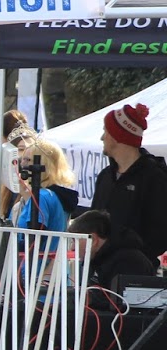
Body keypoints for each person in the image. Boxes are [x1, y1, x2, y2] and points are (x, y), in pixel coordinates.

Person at [91, 103, 167, 261]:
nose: (102, 137)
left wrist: (133, 256)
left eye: (106, 130)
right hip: (98, 271)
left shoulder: (155, 178)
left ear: (118, 136)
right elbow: (92, 223)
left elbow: (159, 233)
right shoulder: (105, 176)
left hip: (134, 273)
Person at [9, 137, 78, 233]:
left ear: (44, 165)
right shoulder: (56, 195)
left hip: (38, 248)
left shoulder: (42, 196)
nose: (22, 165)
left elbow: (33, 238)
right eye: (23, 159)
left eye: (28, 160)